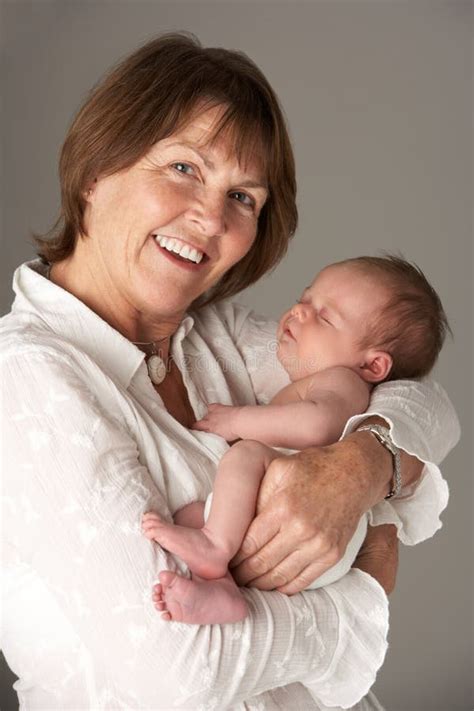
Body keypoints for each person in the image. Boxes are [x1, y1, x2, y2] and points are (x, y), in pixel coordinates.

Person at [0, 33, 459, 711]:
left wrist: (360, 466)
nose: (211, 217)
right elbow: (179, 669)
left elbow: (424, 400)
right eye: (184, 167)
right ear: (97, 172)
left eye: (243, 197)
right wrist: (358, 604)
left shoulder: (211, 338)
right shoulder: (26, 380)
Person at [141, 254, 450, 624]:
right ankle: (223, 590)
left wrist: (239, 419)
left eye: (324, 316)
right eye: (305, 299)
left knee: (248, 455)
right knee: (190, 514)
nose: (299, 312)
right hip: (293, 538)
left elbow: (316, 426)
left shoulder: (342, 382)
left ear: (372, 366)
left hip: (314, 529)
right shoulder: (315, 373)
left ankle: (215, 546)